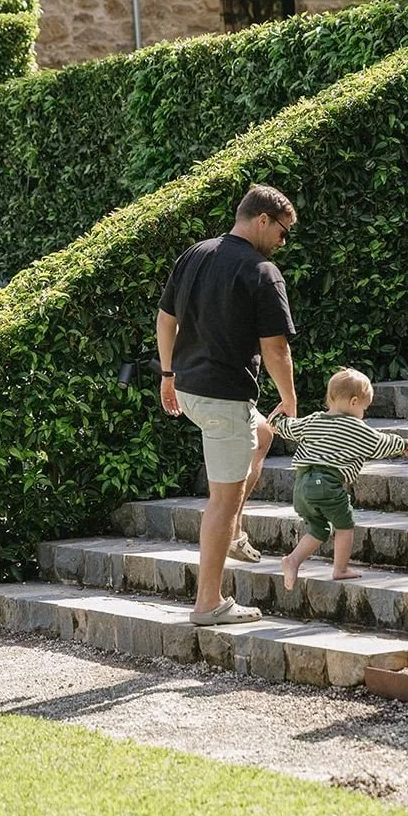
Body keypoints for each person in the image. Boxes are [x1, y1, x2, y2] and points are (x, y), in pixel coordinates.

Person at [156, 184, 298, 626]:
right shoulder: (261, 271)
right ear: (261, 220)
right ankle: (208, 604)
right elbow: (275, 350)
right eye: (282, 230)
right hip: (223, 396)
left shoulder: (196, 254)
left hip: (191, 388)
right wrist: (291, 400)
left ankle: (235, 534)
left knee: (263, 433)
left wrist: (167, 375)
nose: (283, 241)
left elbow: (165, 318)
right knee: (222, 500)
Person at [270, 368, 408, 590]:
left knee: (319, 530)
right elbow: (379, 443)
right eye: (364, 409)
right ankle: (341, 569)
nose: (363, 414)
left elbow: (289, 428)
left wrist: (277, 419)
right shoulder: (355, 427)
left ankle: (293, 560)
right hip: (327, 484)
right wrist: (402, 444)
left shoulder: (314, 420)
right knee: (345, 525)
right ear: (354, 402)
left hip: (301, 485)